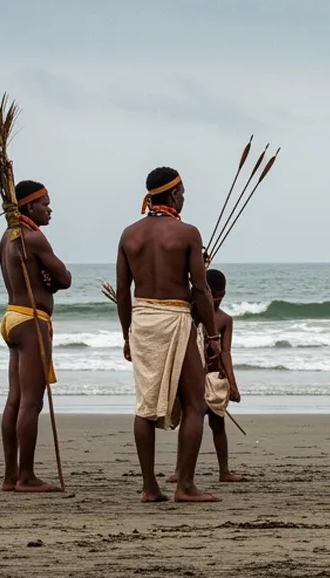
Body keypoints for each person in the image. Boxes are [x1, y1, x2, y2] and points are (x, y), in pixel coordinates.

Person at [116, 166, 222, 503]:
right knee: (196, 404)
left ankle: (150, 488)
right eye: (184, 192)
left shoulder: (128, 235)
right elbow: (201, 289)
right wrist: (213, 334)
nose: (185, 198)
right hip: (175, 317)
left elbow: (122, 290)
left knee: (145, 406)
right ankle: (185, 486)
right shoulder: (188, 233)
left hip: (143, 320)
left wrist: (126, 333)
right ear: (174, 194)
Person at [0, 180, 72, 492]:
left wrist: (47, 282)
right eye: (44, 203)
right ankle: (26, 476)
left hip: (12, 317)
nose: (50, 208)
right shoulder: (33, 238)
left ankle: (10, 475)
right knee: (31, 402)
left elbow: (42, 278)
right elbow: (65, 278)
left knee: (15, 400)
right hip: (31, 321)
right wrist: (53, 280)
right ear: (28, 206)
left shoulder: (7, 238)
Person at [168, 268, 243, 484]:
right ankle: (180, 470)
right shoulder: (189, 315)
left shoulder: (225, 320)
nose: (217, 299)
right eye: (214, 294)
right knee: (190, 421)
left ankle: (224, 470)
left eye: (222, 295)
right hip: (191, 378)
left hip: (214, 376)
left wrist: (232, 383)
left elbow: (226, 353)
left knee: (218, 424)